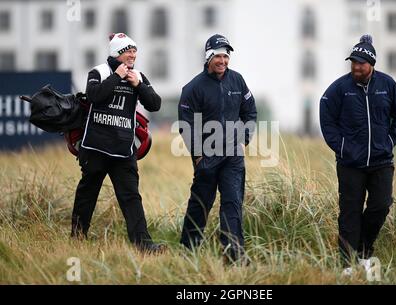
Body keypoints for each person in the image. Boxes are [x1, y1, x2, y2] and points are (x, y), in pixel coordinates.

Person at [319, 35, 396, 274]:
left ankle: (364, 251)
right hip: (350, 163)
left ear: (372, 64)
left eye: (361, 63)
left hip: (381, 160)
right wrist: (341, 147)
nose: (356, 67)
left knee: (381, 205)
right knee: (350, 212)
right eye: (353, 62)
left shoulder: (388, 85)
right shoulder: (339, 88)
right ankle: (347, 264)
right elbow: (326, 117)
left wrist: (390, 140)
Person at [71, 33, 165, 254]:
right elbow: (94, 96)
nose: (133, 55)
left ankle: (143, 245)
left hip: (123, 151)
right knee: (87, 194)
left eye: (134, 51)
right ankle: (76, 238)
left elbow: (155, 104)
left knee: (131, 196)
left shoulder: (138, 75)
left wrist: (139, 85)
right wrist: (116, 77)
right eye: (128, 51)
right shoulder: (99, 72)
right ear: (116, 54)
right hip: (95, 147)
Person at [178, 34, 257, 263]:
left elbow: (250, 112)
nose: (222, 61)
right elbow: (186, 123)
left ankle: (234, 255)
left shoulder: (238, 81)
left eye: (225, 56)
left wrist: (244, 141)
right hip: (207, 156)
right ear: (208, 57)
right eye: (218, 56)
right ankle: (188, 253)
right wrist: (198, 154)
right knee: (200, 205)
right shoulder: (193, 88)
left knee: (232, 203)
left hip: (233, 155)